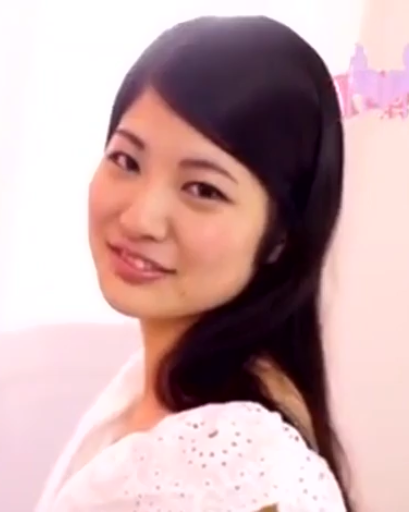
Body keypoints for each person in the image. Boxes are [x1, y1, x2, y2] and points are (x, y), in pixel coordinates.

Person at [34, 15, 354, 512]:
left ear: (282, 238)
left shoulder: (247, 474)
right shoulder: (145, 390)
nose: (140, 218)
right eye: (127, 160)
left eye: (203, 189)